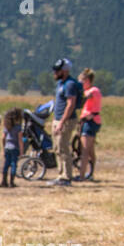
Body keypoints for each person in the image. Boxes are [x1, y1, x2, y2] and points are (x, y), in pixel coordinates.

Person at [50, 57, 82, 185]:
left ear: (65, 71)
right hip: (58, 119)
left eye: (57, 71)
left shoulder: (70, 84)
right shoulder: (60, 84)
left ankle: (66, 177)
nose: (55, 73)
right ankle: (60, 174)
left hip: (66, 120)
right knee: (57, 148)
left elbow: (70, 104)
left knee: (63, 148)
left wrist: (62, 121)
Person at [78, 68, 102, 180]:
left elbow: (85, 98)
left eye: (82, 81)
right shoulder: (91, 91)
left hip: (90, 122)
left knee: (85, 150)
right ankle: (90, 173)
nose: (81, 83)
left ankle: (82, 175)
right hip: (90, 121)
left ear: (88, 80)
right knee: (91, 150)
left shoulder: (93, 91)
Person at [1, 107, 23, 188]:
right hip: (15, 148)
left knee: (6, 164)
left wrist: (4, 147)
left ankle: (4, 181)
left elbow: (3, 138)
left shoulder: (6, 127)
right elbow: (20, 140)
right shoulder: (18, 128)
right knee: (14, 164)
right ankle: (11, 182)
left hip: (7, 147)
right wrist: (21, 151)